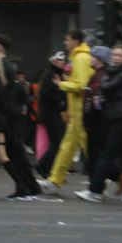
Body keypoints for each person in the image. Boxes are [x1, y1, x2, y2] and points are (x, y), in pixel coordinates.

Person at [75, 45, 122, 203]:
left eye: (120, 55)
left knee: (107, 154)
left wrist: (104, 85)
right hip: (118, 117)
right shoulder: (114, 73)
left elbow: (107, 87)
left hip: (121, 117)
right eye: (114, 55)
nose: (116, 58)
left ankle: (95, 190)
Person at [0, 36, 42, 198]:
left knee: (9, 153)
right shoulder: (4, 67)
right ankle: (27, 185)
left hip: (4, 116)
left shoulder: (1, 68)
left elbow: (0, 95)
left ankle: (27, 185)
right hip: (6, 116)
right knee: (0, 153)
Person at [46, 33, 97, 187]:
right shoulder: (79, 57)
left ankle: (103, 179)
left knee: (88, 148)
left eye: (67, 40)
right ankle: (55, 179)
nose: (65, 42)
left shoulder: (80, 59)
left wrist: (62, 84)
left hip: (80, 111)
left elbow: (81, 86)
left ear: (75, 41)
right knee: (67, 146)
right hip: (77, 112)